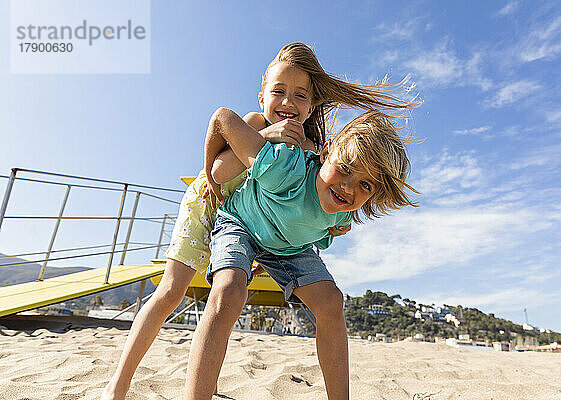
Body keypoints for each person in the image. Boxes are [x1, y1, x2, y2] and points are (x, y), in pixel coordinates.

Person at [101, 42, 417, 400]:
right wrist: (257, 141)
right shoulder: (260, 132)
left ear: (311, 106)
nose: (288, 103)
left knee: (325, 299)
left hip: (269, 231)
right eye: (278, 92)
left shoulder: (313, 153)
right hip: (214, 203)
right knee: (178, 291)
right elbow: (218, 171)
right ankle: (119, 382)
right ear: (262, 95)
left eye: (300, 95)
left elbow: (316, 210)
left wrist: (328, 227)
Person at [185, 108, 418, 399]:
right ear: (326, 151)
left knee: (332, 301)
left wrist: (270, 262)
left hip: (289, 249)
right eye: (345, 167)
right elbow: (222, 118)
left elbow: (315, 227)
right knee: (229, 290)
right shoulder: (284, 168)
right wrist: (210, 173)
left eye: (365, 185)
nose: (347, 188)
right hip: (241, 224)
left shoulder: (342, 217)